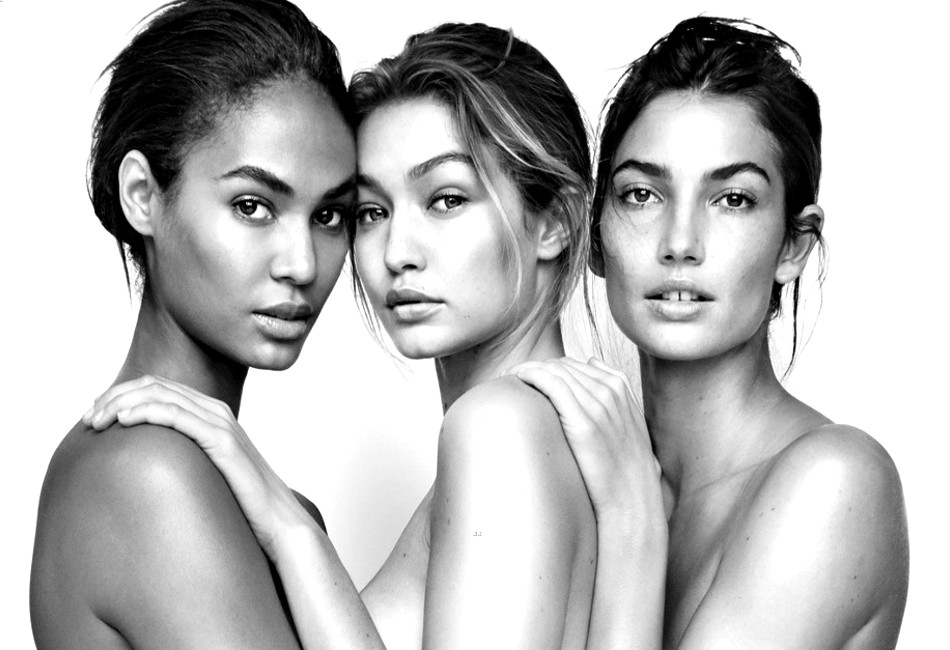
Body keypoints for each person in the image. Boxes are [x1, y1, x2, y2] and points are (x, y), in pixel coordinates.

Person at [82, 22, 598, 649]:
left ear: (555, 221)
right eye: (371, 211)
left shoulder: (498, 429)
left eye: (445, 199)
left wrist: (290, 528)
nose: (397, 252)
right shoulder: (560, 439)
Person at [514, 16, 910, 648]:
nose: (679, 243)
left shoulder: (836, 482)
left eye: (733, 199)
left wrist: (633, 522)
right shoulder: (591, 472)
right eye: (641, 195)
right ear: (595, 235)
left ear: (793, 245)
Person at [29, 1, 357, 647]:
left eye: (329, 216)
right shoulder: (146, 474)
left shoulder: (267, 506)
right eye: (253, 205)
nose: (302, 264)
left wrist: (295, 529)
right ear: (143, 196)